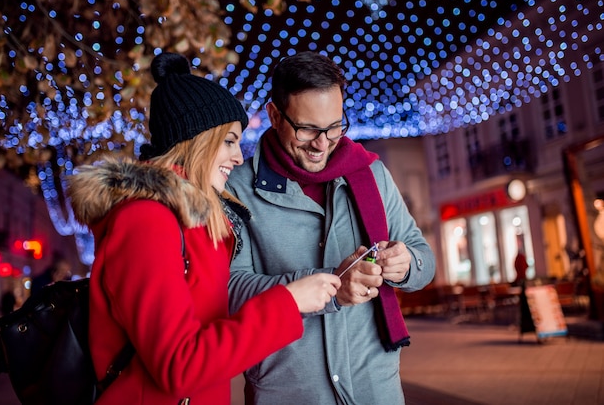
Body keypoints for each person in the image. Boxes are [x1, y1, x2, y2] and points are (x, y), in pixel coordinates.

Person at [66, 52, 342, 405]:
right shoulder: (145, 222)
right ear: (196, 142)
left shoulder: (194, 222)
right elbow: (179, 368)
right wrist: (289, 301)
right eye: (228, 141)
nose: (239, 157)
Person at [227, 51, 436, 404]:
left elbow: (424, 262)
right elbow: (230, 292)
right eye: (308, 128)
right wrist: (329, 286)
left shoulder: (372, 174)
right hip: (287, 392)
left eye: (335, 126)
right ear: (275, 115)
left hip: (376, 389)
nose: (322, 143)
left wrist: (405, 265)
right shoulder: (237, 189)